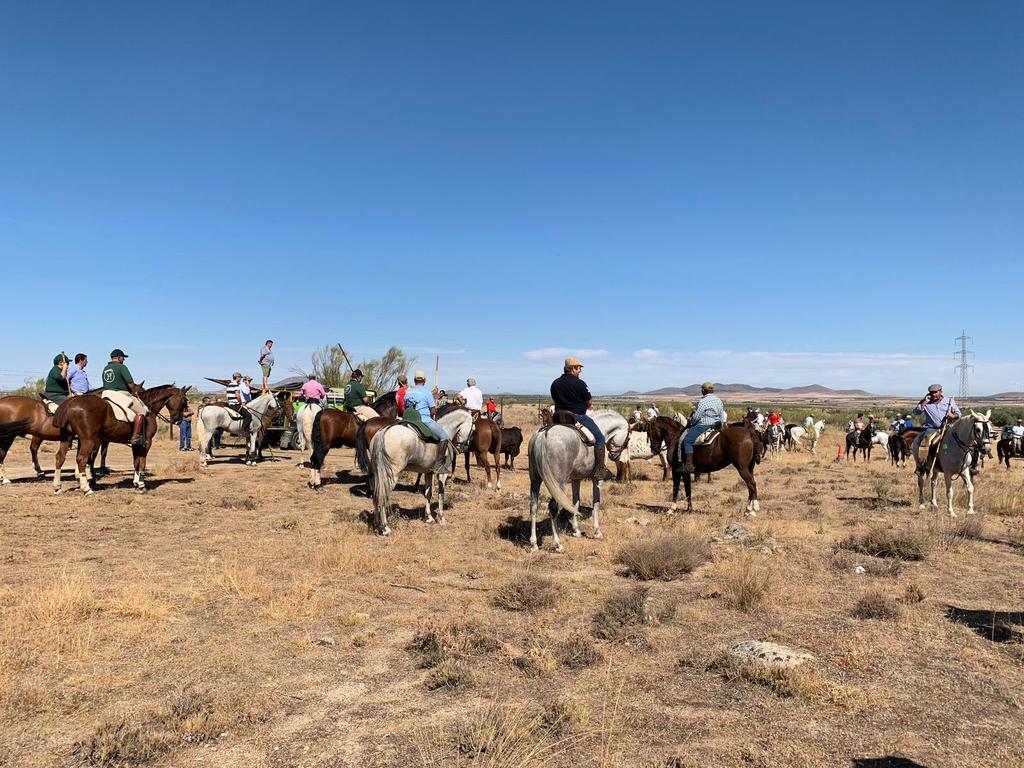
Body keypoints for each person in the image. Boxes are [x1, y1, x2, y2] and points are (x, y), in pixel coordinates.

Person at [550, 356, 610, 480]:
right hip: (576, 417)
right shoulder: (580, 384)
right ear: (572, 369)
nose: (580, 371)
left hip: (558, 417)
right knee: (600, 438)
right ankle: (599, 470)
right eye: (578, 368)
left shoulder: (555, 383)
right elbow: (589, 403)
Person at [101, 349, 149, 447]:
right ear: (118, 357)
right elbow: (130, 383)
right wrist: (134, 392)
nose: (124, 360)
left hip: (107, 394)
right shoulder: (122, 367)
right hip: (121, 395)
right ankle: (135, 436)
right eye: (123, 357)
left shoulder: (106, 368)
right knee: (142, 411)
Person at [910, 384, 961, 471]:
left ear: (941, 391)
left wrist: (952, 416)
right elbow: (916, 412)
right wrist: (924, 403)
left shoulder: (949, 401)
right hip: (932, 429)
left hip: (948, 427)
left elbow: (958, 414)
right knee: (925, 441)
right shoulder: (925, 402)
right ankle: (922, 465)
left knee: (964, 437)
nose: (933, 394)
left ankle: (969, 462)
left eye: (935, 392)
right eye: (931, 392)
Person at [681, 382, 725, 474]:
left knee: (687, 441)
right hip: (717, 425)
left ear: (704, 390)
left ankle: (688, 465)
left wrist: (691, 421)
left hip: (704, 425)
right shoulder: (718, 400)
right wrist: (720, 424)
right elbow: (721, 415)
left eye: (702, 389)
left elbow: (697, 417)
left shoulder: (702, 401)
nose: (701, 391)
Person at [403, 371, 451, 449]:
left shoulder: (408, 392)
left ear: (414, 380)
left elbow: (405, 408)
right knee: (444, 437)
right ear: (424, 381)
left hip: (407, 420)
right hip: (424, 420)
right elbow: (433, 411)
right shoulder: (427, 392)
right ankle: (440, 460)